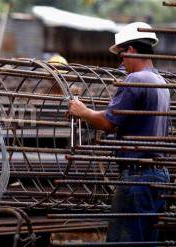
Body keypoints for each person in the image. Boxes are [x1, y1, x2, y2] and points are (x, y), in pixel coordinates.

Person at [68, 22, 170, 243]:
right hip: (159, 175)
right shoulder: (160, 82)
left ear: (131, 50)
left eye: (122, 54)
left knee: (124, 240)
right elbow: (128, 118)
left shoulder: (136, 79)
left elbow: (108, 123)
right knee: (145, 240)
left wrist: (83, 111)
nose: (121, 61)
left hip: (137, 176)